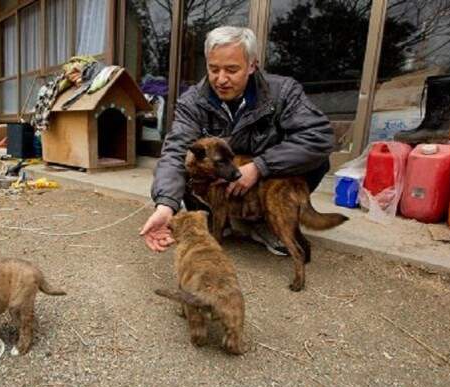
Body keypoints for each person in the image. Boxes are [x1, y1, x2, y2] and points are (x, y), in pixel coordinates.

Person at [140, 26, 334, 254]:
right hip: (219, 184)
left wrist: (260, 167)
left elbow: (318, 137)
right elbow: (174, 153)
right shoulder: (192, 102)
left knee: (317, 161)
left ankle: (263, 220)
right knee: (186, 162)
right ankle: (214, 215)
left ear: (252, 65)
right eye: (213, 69)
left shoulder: (283, 92)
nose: (221, 79)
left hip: (264, 180)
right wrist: (166, 205)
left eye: (231, 70)